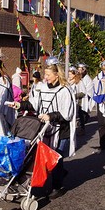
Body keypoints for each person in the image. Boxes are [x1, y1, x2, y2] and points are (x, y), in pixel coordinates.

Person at [14, 56, 76, 199]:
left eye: (48, 74)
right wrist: (19, 105)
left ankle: (58, 185)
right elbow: (34, 104)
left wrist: (50, 116)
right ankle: (52, 175)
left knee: (56, 157)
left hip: (60, 130)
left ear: (56, 74)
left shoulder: (65, 90)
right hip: (44, 128)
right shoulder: (42, 87)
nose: (45, 77)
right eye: (45, 74)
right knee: (42, 156)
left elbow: (67, 114)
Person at [68, 66, 87, 135]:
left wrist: (74, 95)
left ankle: (82, 128)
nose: (69, 76)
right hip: (70, 102)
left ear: (74, 75)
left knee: (79, 115)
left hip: (77, 102)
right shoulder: (68, 81)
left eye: (70, 74)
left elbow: (83, 92)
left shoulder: (79, 82)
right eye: (69, 74)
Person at [77, 63, 94, 134]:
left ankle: (82, 128)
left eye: (81, 70)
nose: (79, 71)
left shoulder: (87, 79)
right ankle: (83, 121)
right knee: (80, 112)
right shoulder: (79, 78)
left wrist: (83, 94)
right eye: (78, 70)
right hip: (79, 98)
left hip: (84, 98)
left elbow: (89, 90)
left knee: (81, 113)